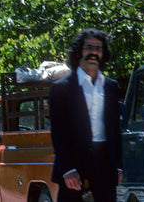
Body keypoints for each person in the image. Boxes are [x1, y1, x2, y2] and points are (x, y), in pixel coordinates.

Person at [49, 28, 123, 202]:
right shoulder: (61, 88)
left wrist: (118, 165)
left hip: (105, 161)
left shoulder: (111, 87)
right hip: (74, 164)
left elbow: (115, 130)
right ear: (79, 51)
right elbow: (58, 133)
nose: (94, 52)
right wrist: (67, 168)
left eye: (98, 48)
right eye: (89, 47)